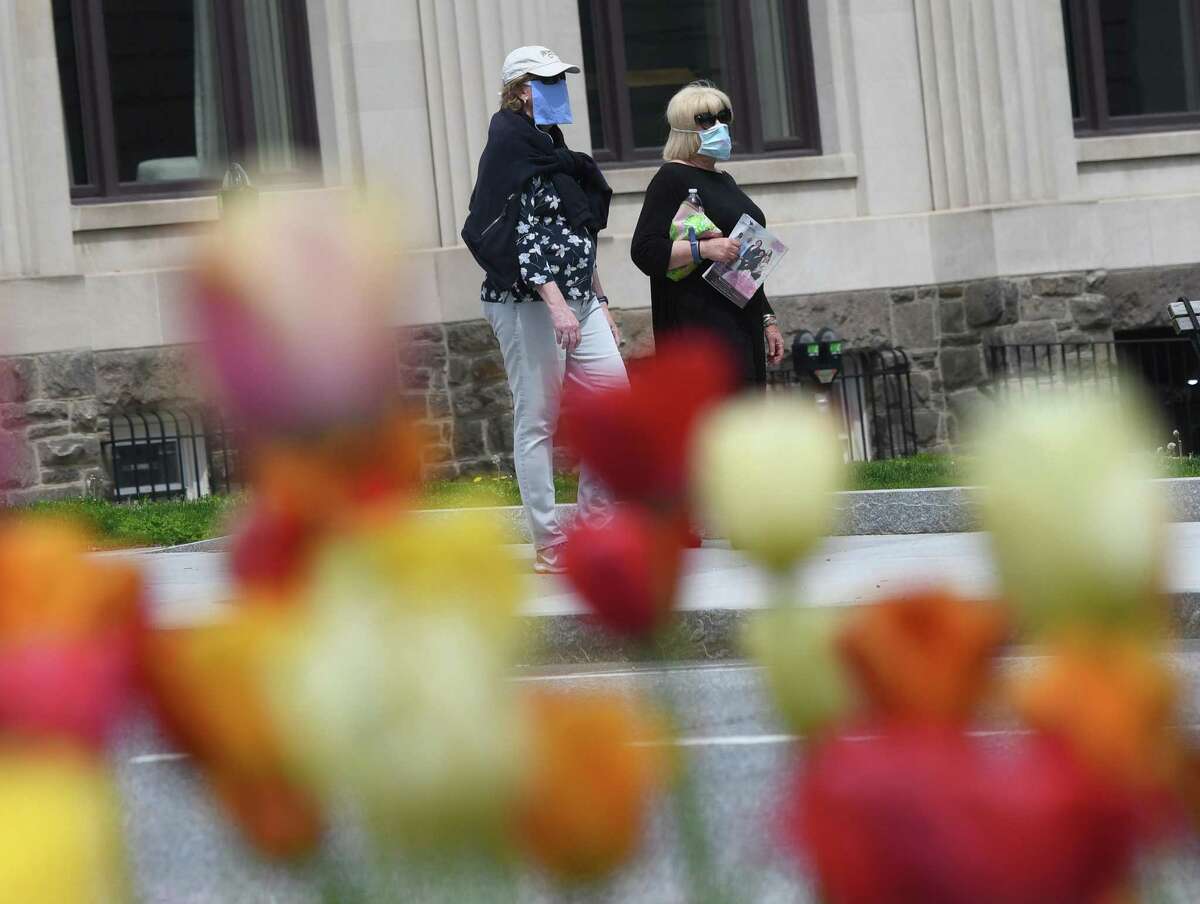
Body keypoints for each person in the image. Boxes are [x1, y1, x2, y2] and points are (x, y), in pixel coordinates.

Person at [462, 45, 628, 574]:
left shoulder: (552, 148)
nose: (560, 89)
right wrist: (556, 305)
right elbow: (524, 236)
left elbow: (577, 233)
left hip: (579, 298)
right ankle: (548, 541)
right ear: (523, 90)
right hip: (529, 304)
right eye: (550, 80)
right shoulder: (510, 149)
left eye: (563, 79)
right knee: (538, 418)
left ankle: (594, 529)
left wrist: (598, 300)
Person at [630, 81, 785, 385]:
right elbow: (645, 251)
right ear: (685, 129)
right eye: (706, 120)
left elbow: (747, 262)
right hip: (700, 328)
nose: (719, 126)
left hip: (740, 320)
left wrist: (767, 318)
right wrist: (704, 251)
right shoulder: (671, 178)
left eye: (723, 117)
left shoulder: (724, 179)